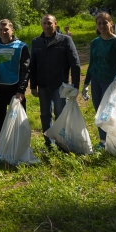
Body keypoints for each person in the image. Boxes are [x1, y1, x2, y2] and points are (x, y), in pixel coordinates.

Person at [29, 15, 81, 149]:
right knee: (45, 115)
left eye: (49, 23)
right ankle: (49, 143)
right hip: (43, 86)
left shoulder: (65, 40)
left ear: (55, 24)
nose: (47, 25)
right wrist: (33, 85)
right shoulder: (36, 42)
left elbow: (75, 64)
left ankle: (61, 143)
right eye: (44, 23)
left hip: (60, 85)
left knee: (60, 114)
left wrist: (75, 86)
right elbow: (33, 65)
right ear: (41, 25)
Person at [82, 12, 116, 149]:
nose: (102, 26)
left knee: (109, 112)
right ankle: (103, 141)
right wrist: (86, 84)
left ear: (111, 23)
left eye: (105, 23)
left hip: (110, 83)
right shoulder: (95, 43)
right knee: (99, 111)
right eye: (99, 23)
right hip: (96, 81)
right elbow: (92, 64)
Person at [0, 19, 30, 140]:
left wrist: (21, 90)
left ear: (12, 30)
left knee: (18, 119)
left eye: (6, 29)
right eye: (0, 30)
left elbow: (26, 70)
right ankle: (2, 145)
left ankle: (19, 144)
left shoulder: (21, 47)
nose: (3, 32)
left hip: (15, 89)